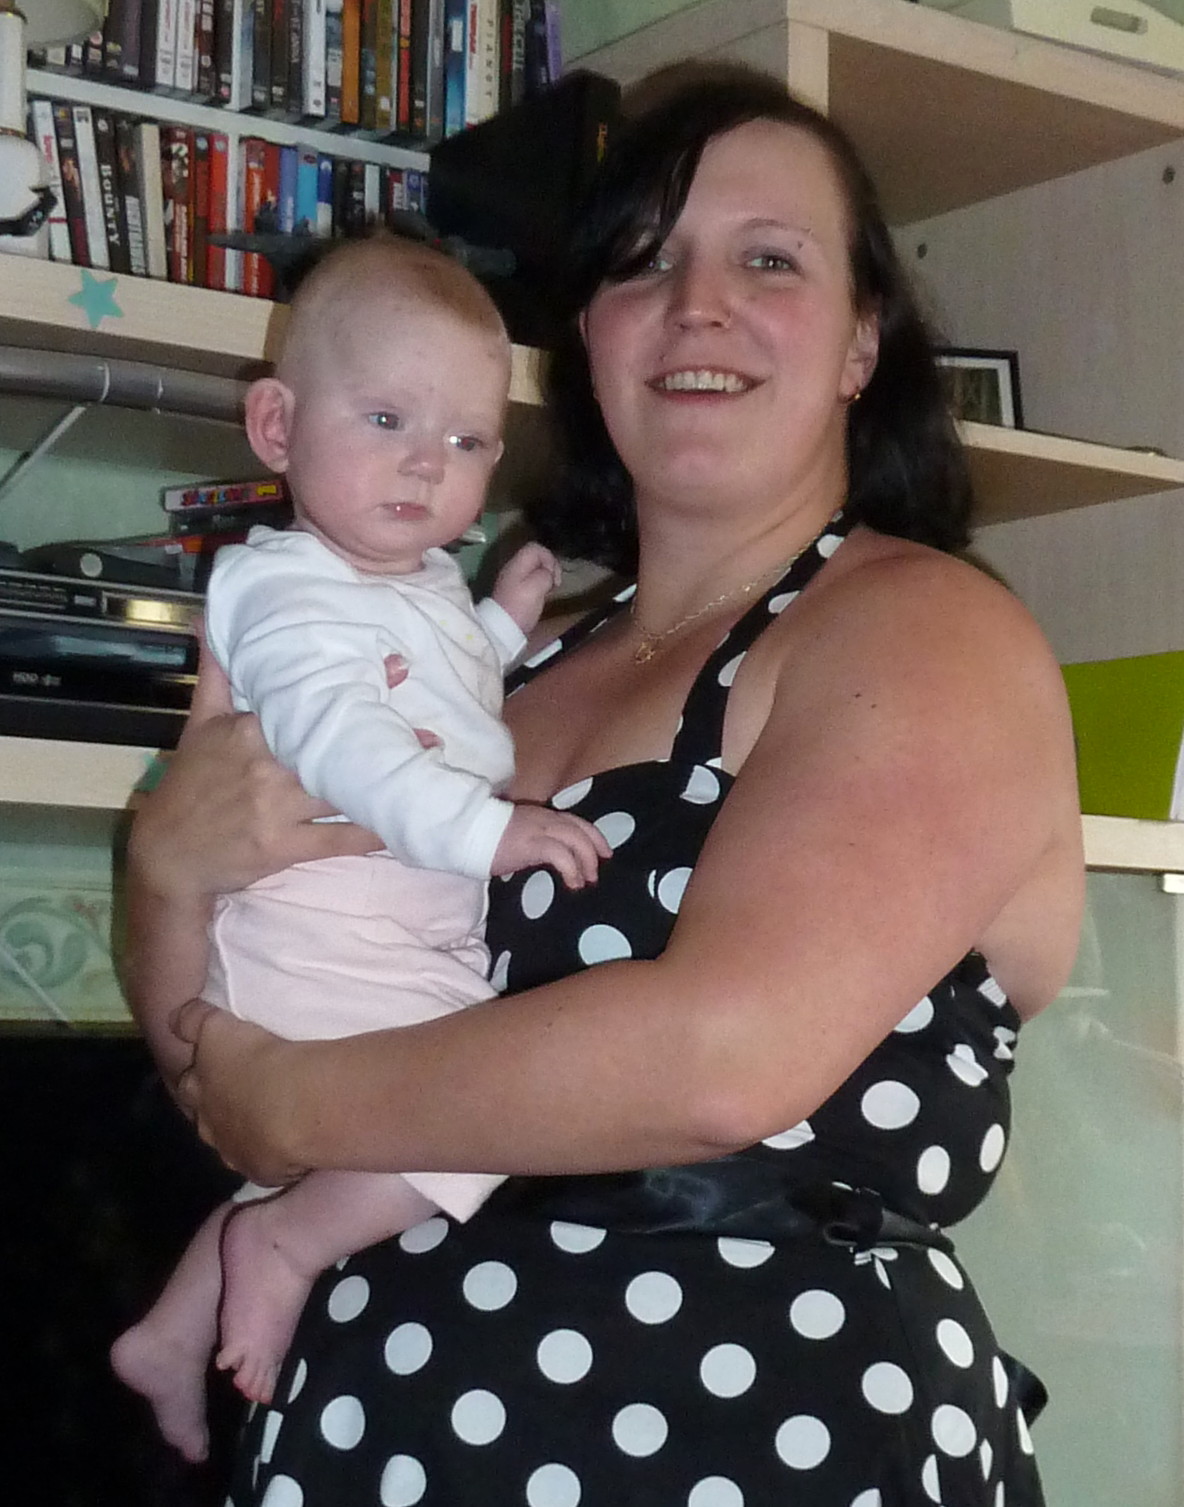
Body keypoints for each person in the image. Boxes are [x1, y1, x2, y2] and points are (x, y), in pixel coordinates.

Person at [122, 63, 1084, 1506]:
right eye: (642, 263)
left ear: (859, 344)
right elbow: (229, 1038)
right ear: (587, 337)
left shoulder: (929, 632)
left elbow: (719, 1055)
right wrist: (163, 874)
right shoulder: (475, 663)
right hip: (377, 1424)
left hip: (752, 1431)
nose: (696, 305)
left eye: (768, 260)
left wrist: (297, 1107)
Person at [110, 232, 607, 1465]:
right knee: (473, 1115)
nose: (425, 463)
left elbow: (434, 686)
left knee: (346, 1141)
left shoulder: (403, 579)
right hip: (323, 928)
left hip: (373, 930)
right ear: (276, 428)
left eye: (467, 441)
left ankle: (175, 1326)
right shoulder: (286, 593)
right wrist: (490, 831)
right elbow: (348, 744)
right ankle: (282, 1249)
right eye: (386, 419)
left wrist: (498, 626)